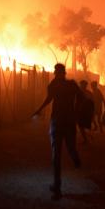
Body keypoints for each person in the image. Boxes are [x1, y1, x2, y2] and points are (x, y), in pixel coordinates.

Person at [33, 63, 83, 200]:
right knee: (71, 147)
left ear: (56, 72)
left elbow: (48, 99)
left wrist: (38, 110)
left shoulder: (54, 85)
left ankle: (57, 188)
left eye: (56, 72)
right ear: (65, 72)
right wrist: (76, 113)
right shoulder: (72, 85)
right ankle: (75, 159)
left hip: (57, 122)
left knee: (56, 155)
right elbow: (81, 98)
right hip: (69, 122)